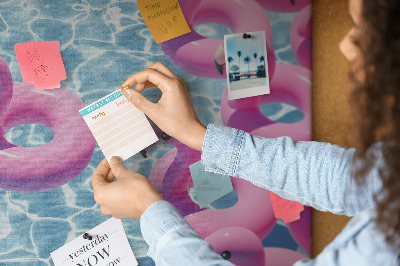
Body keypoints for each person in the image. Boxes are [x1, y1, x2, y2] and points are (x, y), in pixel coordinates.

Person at [91, 0, 400, 264]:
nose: (345, 46)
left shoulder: (384, 248)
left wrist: (149, 211)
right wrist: (197, 135)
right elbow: (346, 178)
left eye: (365, 32)